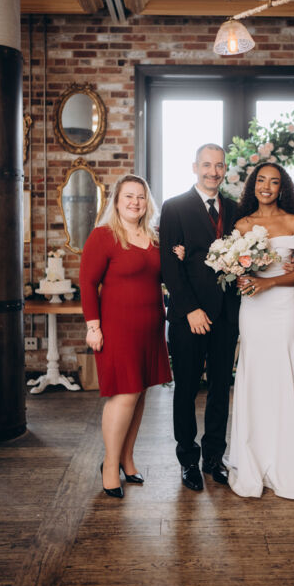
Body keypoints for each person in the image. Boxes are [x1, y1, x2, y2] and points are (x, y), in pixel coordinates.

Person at [227, 163, 294, 500]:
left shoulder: (293, 221)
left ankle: (292, 460)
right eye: (261, 180)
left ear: (282, 187)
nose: (266, 187)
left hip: (285, 308)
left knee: (287, 373)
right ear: (253, 185)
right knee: (256, 376)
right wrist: (241, 277)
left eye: (274, 182)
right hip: (253, 310)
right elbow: (237, 268)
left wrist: (268, 282)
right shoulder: (241, 224)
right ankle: (255, 456)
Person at [80, 174, 171, 499]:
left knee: (140, 392)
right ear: (117, 201)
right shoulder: (103, 236)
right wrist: (93, 327)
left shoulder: (154, 237)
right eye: (129, 196)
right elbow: (87, 283)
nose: (135, 202)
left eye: (141, 197)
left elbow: (163, 277)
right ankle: (109, 465)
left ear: (148, 203)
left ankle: (127, 459)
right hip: (117, 329)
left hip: (151, 328)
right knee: (125, 394)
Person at [159, 144, 239, 491]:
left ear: (224, 169)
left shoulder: (234, 209)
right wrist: (190, 309)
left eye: (219, 165)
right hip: (187, 316)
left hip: (226, 316)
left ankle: (214, 458)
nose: (213, 172)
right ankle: (188, 460)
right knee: (187, 389)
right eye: (207, 165)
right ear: (195, 167)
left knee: (221, 389)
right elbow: (169, 265)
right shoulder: (174, 207)